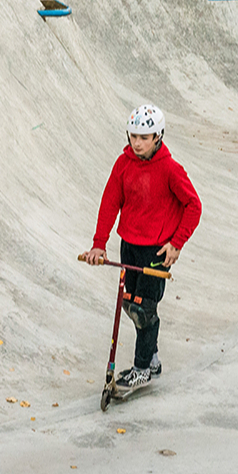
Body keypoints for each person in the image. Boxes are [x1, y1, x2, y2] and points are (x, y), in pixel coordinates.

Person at [81, 104, 203, 391]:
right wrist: (99, 244)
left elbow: (193, 206)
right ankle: (154, 359)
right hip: (130, 246)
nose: (137, 143)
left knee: (145, 310)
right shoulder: (123, 164)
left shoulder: (171, 169)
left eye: (144, 137)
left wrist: (177, 243)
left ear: (158, 137)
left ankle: (141, 369)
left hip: (156, 252)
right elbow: (110, 202)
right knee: (131, 304)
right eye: (133, 136)